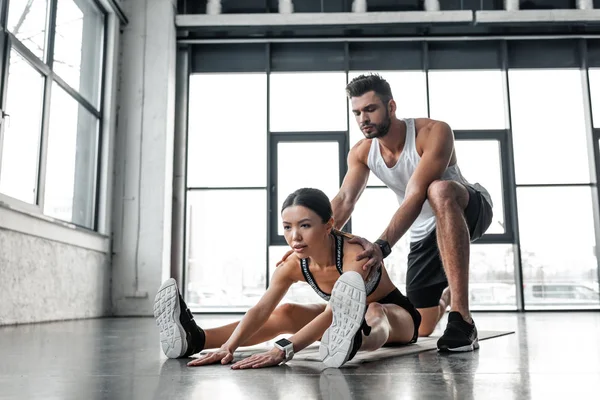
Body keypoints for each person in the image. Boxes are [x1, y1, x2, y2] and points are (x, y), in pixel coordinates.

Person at [279, 73, 493, 352]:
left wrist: (381, 246)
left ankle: (462, 319)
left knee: (438, 190)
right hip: (423, 229)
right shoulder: (361, 152)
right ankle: (448, 294)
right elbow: (344, 200)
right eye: (356, 112)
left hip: (467, 207)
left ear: (391, 107)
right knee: (423, 325)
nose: (363, 119)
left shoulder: (434, 132)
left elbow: (416, 194)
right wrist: (309, 239)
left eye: (370, 109)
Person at [153, 188, 421, 369]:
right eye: (287, 227)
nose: (295, 236)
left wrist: (284, 349)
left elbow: (336, 311)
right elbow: (261, 310)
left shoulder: (355, 254)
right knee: (287, 311)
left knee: (374, 310)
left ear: (328, 225)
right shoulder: (292, 264)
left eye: (305, 225)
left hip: (397, 316)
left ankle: (354, 342)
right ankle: (195, 338)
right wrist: (229, 347)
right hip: (339, 316)